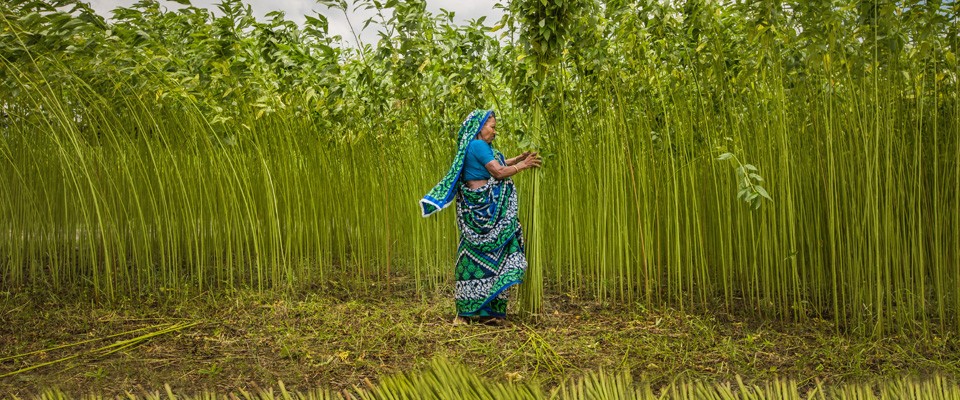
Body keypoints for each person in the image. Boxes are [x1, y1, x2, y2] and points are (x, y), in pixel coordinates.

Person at [420, 110, 542, 325]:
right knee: (478, 258)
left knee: (483, 258)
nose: (495, 131)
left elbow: (499, 162)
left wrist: (518, 158)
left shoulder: (482, 148)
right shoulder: (477, 145)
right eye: (492, 126)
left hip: (485, 211)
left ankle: (484, 313)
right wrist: (523, 165)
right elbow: (497, 171)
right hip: (482, 211)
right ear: (479, 128)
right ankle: (472, 313)